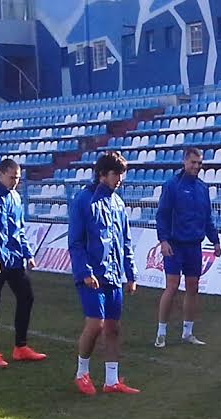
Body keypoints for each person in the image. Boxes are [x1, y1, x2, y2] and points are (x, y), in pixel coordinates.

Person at [68, 152, 141, 396]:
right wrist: (85, 271)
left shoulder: (118, 203)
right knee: (95, 324)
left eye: (122, 174)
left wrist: (131, 273)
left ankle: (111, 380)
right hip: (91, 275)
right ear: (102, 174)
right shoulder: (83, 200)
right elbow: (76, 241)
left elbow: (125, 241)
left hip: (113, 275)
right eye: (116, 174)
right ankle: (82, 373)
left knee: (113, 327)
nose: (120, 179)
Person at [0, 158, 47, 368]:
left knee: (27, 297)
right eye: (12, 177)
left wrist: (28, 254)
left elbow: (19, 230)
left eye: (18, 178)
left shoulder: (15, 198)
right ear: (1, 174)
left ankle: (20, 347)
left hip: (14, 259)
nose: (16, 182)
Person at [155, 148, 221, 348]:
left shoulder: (202, 188)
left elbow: (207, 218)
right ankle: (161, 332)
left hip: (195, 246)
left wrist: (215, 241)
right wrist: (163, 240)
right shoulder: (172, 185)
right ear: (185, 162)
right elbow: (162, 215)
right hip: (175, 245)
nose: (196, 166)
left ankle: (188, 332)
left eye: (199, 163)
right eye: (193, 162)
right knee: (172, 287)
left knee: (193, 287)